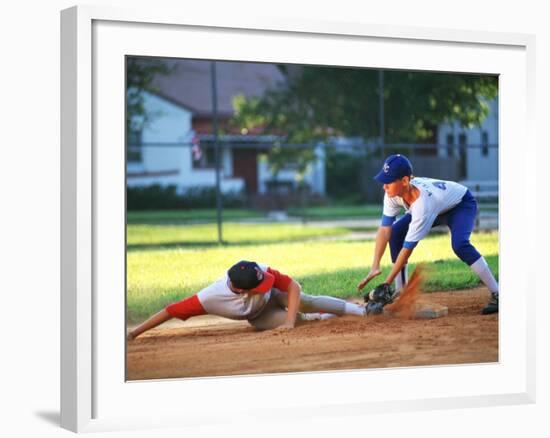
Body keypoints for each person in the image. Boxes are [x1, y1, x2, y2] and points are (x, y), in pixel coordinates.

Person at [357, 154, 499, 315]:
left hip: (460, 205)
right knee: (396, 232)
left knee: (460, 245)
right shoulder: (393, 194)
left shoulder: (422, 207)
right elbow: (385, 229)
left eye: (388, 181)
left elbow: (407, 249)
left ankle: (498, 293)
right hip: (437, 205)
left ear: (404, 181)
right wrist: (375, 265)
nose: (384, 186)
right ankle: (401, 291)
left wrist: (385, 284)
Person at [127, 260, 368, 340]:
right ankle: (321, 318)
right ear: (243, 291)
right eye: (259, 285)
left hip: (276, 298)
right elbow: (170, 310)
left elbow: (293, 286)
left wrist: (290, 322)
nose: (266, 281)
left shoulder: (259, 270)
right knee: (296, 320)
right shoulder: (211, 298)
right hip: (259, 316)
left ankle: (361, 312)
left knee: (306, 300)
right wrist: (133, 333)